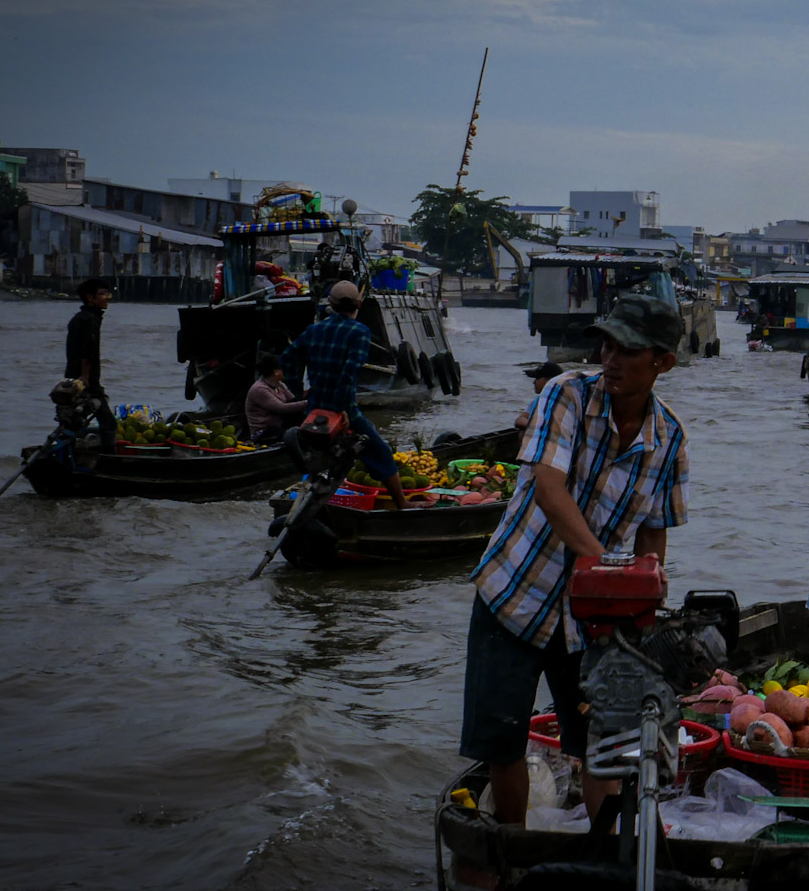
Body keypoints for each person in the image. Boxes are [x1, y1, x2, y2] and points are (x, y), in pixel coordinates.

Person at [460, 294, 691, 825]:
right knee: (503, 742)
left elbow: (654, 535)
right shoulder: (566, 395)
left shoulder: (670, 438)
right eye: (606, 345)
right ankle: (509, 852)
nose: (609, 358)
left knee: (598, 744)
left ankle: (609, 855)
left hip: (591, 622)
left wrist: (643, 606)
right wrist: (611, 572)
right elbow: (548, 488)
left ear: (662, 362)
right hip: (514, 596)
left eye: (626, 350)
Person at [282, 280, 410, 511]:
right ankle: (402, 505)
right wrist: (342, 409)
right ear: (357, 306)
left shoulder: (314, 330)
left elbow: (288, 358)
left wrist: (297, 389)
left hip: (315, 409)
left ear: (331, 304)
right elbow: (349, 372)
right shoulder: (359, 332)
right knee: (381, 453)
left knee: (319, 460)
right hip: (343, 410)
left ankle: (307, 500)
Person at [64, 278, 117, 450]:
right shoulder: (89, 319)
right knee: (108, 424)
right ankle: (110, 461)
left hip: (76, 377)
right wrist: (86, 377)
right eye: (102, 294)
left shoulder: (82, 317)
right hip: (85, 381)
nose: (107, 297)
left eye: (108, 293)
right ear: (90, 298)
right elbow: (87, 350)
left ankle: (68, 453)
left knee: (74, 422)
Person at [245, 353, 308, 443]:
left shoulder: (279, 385)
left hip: (280, 425)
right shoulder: (259, 389)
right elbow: (281, 408)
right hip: (265, 431)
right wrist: (308, 403)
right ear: (276, 372)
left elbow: (293, 401)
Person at [516, 359, 566, 431]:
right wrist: (538, 427)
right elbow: (520, 420)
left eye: (537, 378)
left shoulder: (565, 401)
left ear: (550, 380)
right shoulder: (538, 401)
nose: (534, 382)